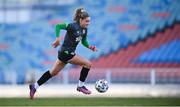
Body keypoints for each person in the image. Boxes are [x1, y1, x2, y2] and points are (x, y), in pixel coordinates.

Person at [29, 7, 97, 99]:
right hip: (66, 53)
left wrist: (90, 47)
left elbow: (84, 41)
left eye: (89, 21)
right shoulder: (73, 26)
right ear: (81, 20)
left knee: (53, 72)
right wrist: (57, 38)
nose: (88, 23)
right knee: (87, 64)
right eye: (86, 21)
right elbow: (58, 26)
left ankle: (34, 86)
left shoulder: (84, 30)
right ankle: (80, 86)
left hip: (64, 54)